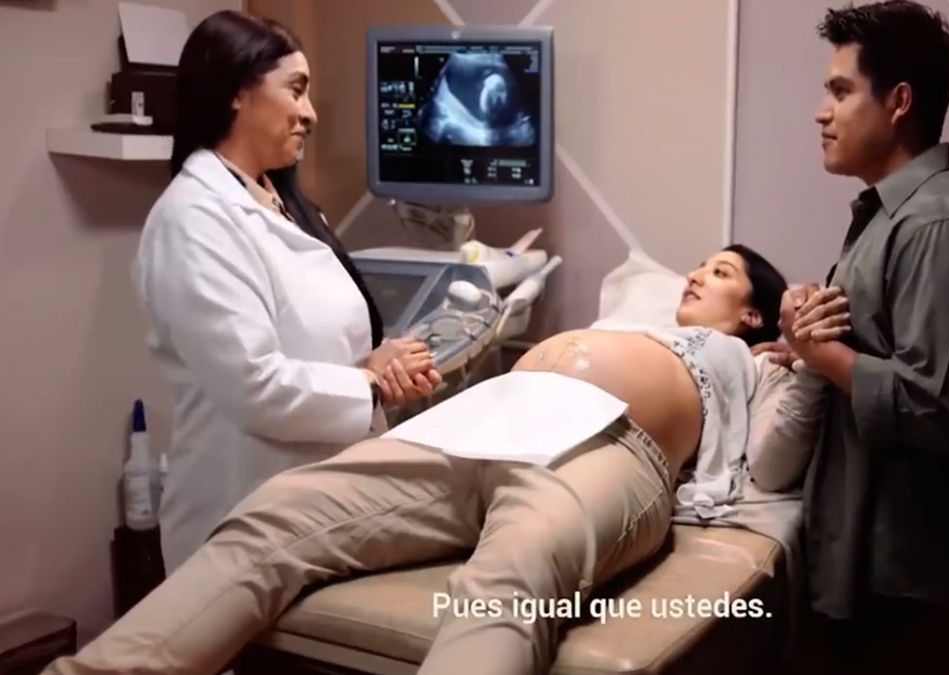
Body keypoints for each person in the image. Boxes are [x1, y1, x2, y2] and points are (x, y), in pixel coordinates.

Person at [45, 245, 848, 675]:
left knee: (514, 570)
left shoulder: (756, 361)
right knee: (277, 512)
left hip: (608, 444)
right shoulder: (636, 323)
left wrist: (808, 361)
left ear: (751, 312)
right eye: (699, 262)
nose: (698, 272)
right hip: (483, 423)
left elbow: (775, 467)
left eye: (722, 271)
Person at [772, 2, 949, 673]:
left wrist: (821, 352)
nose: (821, 112)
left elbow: (937, 406)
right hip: (870, 573)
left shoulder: (940, 228)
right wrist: (802, 355)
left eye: (840, 91)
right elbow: (879, 353)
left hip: (912, 587)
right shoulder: (890, 217)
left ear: (899, 102)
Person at [139, 10, 440, 570]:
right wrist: (370, 383)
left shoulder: (284, 205)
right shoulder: (193, 219)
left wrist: (374, 366)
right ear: (236, 93)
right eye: (296, 90)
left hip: (319, 508)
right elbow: (253, 384)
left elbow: (321, 348)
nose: (310, 112)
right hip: (241, 518)